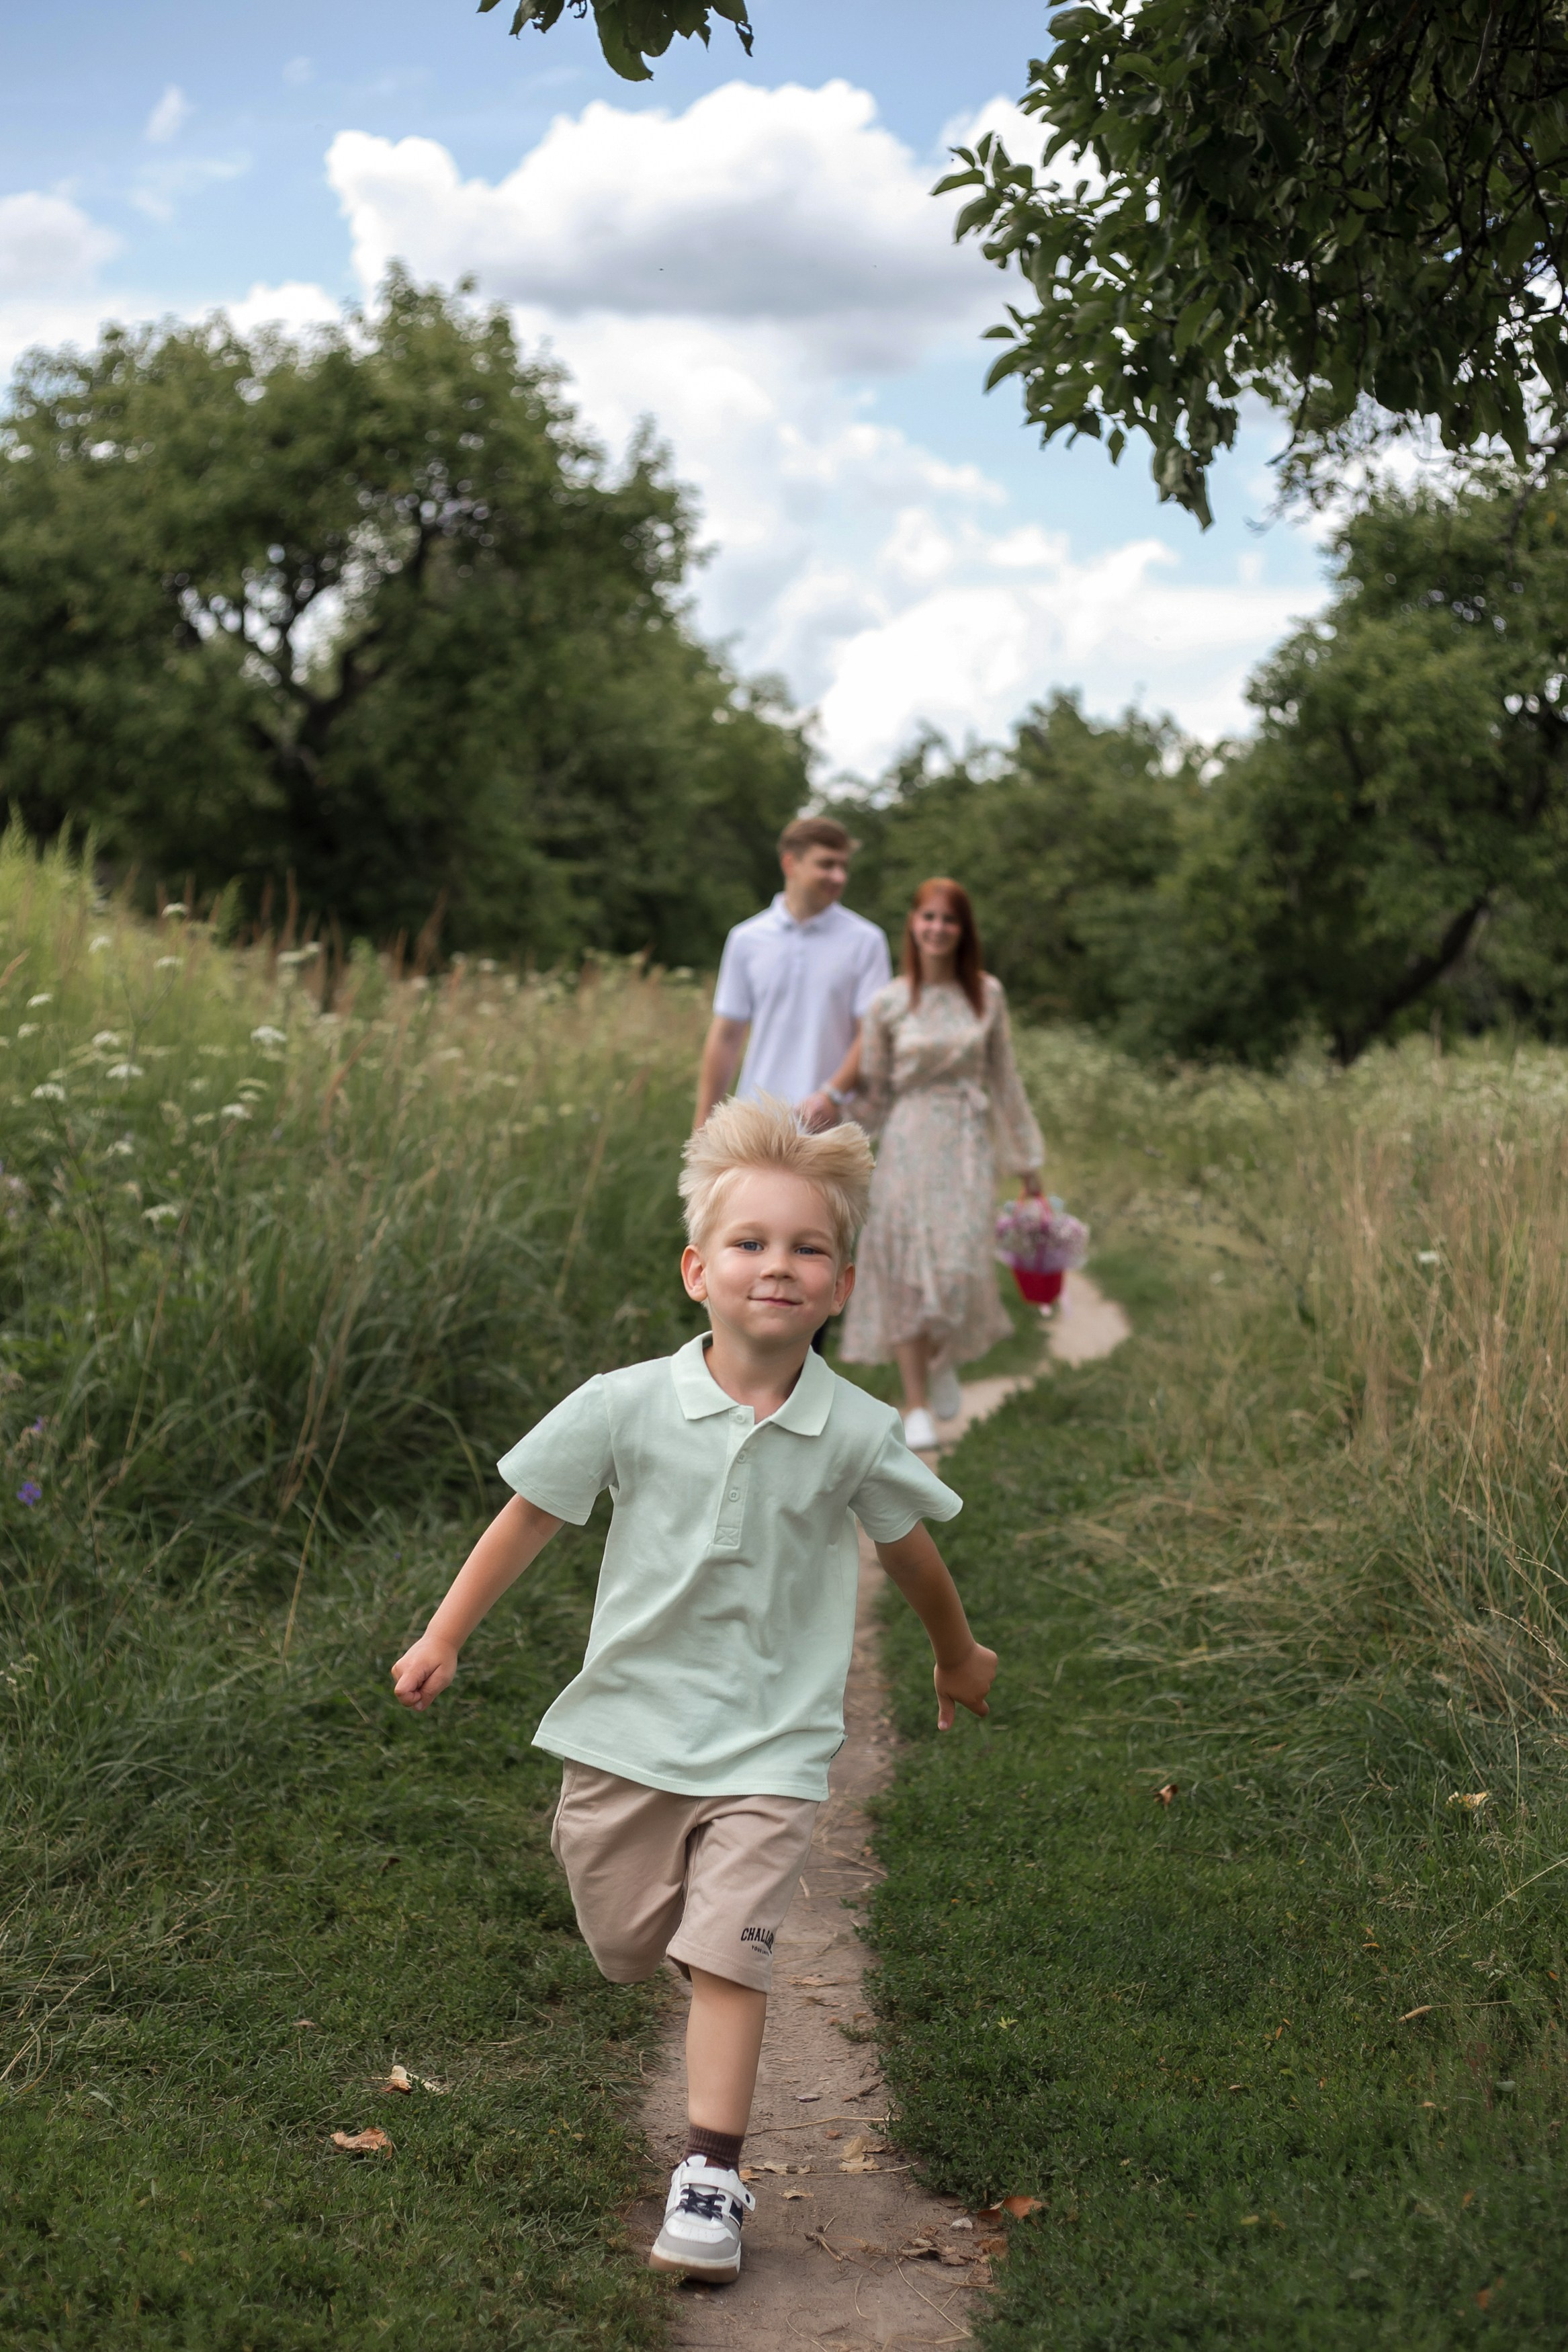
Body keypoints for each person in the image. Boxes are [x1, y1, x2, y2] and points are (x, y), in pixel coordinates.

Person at [390, 1095, 997, 2285]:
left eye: (806, 1249)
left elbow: (911, 1553)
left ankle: (709, 2175)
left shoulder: (855, 1430)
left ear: (839, 1287)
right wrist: (444, 1634)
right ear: (696, 1270)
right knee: (627, 1937)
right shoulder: (622, 1403)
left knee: (729, 1955)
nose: (777, 1265)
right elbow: (529, 1517)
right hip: (629, 1730)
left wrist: (954, 1651)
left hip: (772, 1742)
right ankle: (689, 1942)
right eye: (750, 1242)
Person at [839, 878, 1045, 1452]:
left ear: (963, 929)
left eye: (948, 919)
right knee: (907, 1273)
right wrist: (828, 1137)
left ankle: (943, 1357)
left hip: (966, 1144)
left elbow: (1005, 1080)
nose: (937, 928)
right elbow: (875, 1093)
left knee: (958, 1268)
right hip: (907, 1141)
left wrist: (1027, 1161)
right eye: (928, 917)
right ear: (913, 924)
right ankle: (917, 1404)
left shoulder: (987, 994)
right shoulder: (889, 1002)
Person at [694, 816, 891, 1134]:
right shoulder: (746, 939)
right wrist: (703, 1126)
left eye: (843, 866)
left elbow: (870, 1034)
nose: (839, 876)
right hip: (757, 1125)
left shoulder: (867, 941)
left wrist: (831, 1095)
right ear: (790, 864)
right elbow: (727, 1035)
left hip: (832, 1128)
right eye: (827, 864)